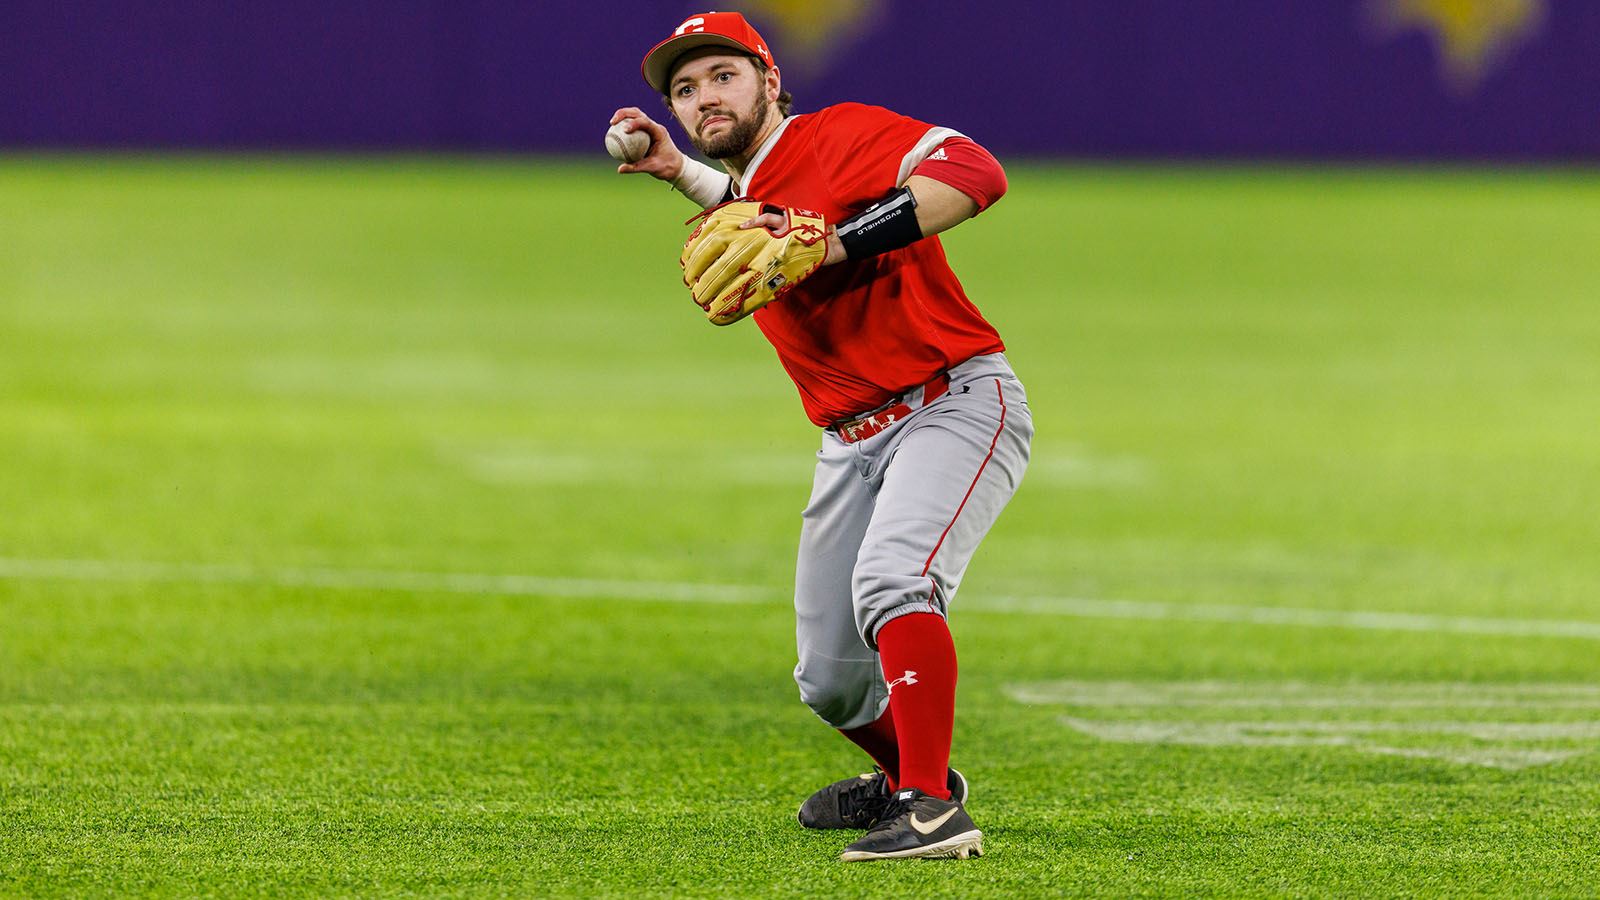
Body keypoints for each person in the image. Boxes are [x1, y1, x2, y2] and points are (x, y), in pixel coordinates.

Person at [611, 11, 1032, 862]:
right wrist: (676, 172)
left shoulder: (837, 135)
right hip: (849, 439)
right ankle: (924, 776)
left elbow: (977, 173)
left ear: (770, 79)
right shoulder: (747, 191)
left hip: (950, 401)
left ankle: (929, 814)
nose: (702, 98)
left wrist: (838, 245)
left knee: (894, 581)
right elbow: (765, 214)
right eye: (684, 90)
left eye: (722, 76)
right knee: (832, 682)